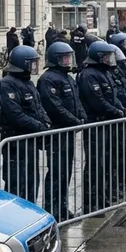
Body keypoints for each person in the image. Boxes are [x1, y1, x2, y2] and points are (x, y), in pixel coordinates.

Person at [78, 40, 126, 213]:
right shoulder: (89, 74)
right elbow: (97, 100)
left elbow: (112, 96)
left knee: (104, 162)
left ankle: (102, 197)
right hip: (95, 123)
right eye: (106, 57)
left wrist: (119, 108)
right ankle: (91, 202)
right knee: (95, 164)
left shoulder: (104, 73)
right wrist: (115, 111)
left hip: (105, 124)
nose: (109, 60)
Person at [38, 41, 85, 220]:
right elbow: (54, 106)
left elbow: (77, 100)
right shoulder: (48, 79)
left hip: (69, 132)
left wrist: (81, 117)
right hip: (58, 131)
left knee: (66, 171)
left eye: (68, 58)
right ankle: (52, 208)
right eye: (64, 58)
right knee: (56, 172)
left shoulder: (68, 78)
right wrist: (74, 121)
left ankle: (63, 206)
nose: (68, 61)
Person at [0, 46, 51, 201]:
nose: (34, 66)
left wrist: (46, 121)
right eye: (32, 63)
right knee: (17, 182)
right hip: (16, 142)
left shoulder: (27, 83)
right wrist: (39, 126)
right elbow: (15, 114)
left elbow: (38, 107)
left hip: (30, 141)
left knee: (32, 180)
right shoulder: (7, 84)